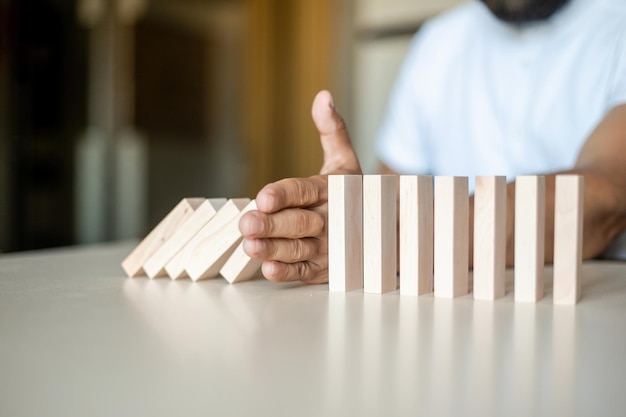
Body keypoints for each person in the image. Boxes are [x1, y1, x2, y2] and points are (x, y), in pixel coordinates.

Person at [239, 0, 626, 284]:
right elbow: (390, 192)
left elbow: (606, 194)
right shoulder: (438, 41)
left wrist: (386, 236)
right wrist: (354, 206)